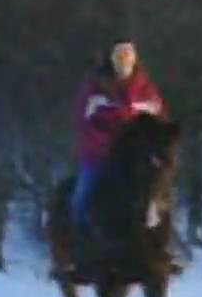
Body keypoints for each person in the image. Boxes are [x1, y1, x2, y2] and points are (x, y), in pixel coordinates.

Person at [71, 40, 169, 242]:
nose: (124, 62)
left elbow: (159, 125)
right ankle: (76, 240)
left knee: (157, 192)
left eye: (128, 56)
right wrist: (109, 147)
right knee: (83, 194)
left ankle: (163, 244)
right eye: (119, 57)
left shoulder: (147, 92)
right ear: (112, 60)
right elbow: (86, 125)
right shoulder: (95, 90)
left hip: (137, 157)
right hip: (100, 156)